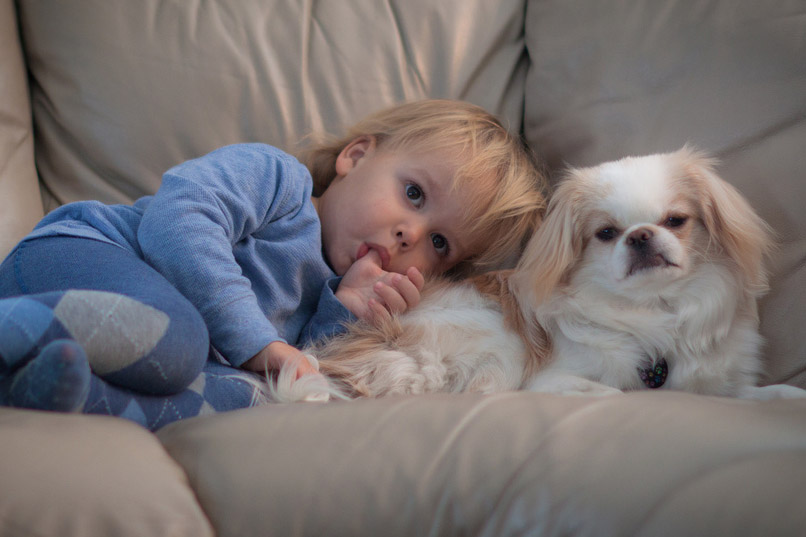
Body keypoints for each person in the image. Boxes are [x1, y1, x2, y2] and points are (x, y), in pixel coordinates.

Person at [0, 99, 546, 430]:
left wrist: (343, 312)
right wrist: (260, 346)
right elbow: (176, 221)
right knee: (186, 339)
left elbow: (293, 367)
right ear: (356, 157)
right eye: (413, 193)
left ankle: (53, 387)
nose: (411, 235)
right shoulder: (277, 182)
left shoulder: (337, 290)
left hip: (143, 347)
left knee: (242, 397)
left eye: (442, 245)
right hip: (80, 257)